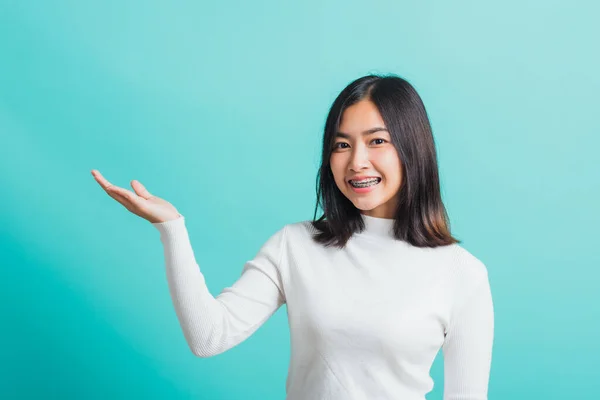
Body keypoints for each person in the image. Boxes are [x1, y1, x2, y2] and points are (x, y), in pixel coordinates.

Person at [91, 74, 494, 400]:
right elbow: (208, 336)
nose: (357, 162)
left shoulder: (462, 274)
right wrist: (171, 228)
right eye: (341, 144)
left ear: (413, 149)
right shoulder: (295, 246)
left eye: (377, 141)